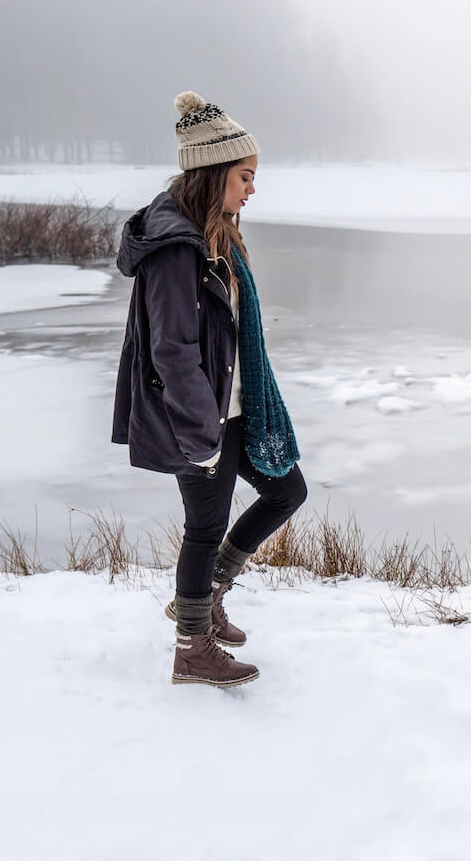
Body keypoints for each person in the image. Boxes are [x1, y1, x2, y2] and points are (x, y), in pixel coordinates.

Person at [111, 91, 307, 688]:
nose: (252, 189)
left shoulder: (213, 233)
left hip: (233, 408)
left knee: (285, 491)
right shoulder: (177, 248)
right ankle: (191, 647)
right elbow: (173, 350)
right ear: (215, 172)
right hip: (198, 419)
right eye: (245, 177)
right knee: (205, 526)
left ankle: (207, 596)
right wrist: (203, 435)